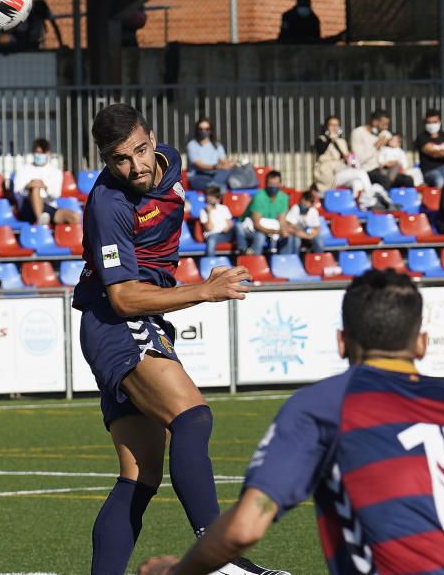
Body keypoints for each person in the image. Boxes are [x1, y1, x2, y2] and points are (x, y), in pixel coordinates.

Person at [137, 270, 444, 575]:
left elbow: (244, 528)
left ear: (341, 342)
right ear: (422, 344)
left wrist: (177, 573)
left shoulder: (325, 406)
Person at [73, 103, 287, 575]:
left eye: (141, 151)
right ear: (106, 162)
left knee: (140, 475)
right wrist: (204, 291)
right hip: (116, 319)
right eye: (120, 160)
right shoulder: (108, 204)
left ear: (154, 139)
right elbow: (125, 298)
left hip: (137, 315)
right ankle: (220, 562)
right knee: (192, 418)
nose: (136, 166)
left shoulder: (170, 162)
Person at [312, 115, 380, 209]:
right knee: (361, 173)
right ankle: (370, 198)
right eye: (331, 125)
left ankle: (360, 206)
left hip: (341, 170)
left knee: (357, 183)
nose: (334, 128)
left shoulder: (341, 141)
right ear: (326, 127)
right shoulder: (321, 139)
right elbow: (320, 150)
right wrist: (329, 139)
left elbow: (346, 156)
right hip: (328, 174)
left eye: (336, 125)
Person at [12, 137, 82, 226]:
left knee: (74, 217)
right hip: (27, 208)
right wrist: (29, 186)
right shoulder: (24, 170)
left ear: (48, 153)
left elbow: (56, 194)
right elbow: (16, 191)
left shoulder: (55, 172)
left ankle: (42, 220)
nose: (39, 155)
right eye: (37, 152)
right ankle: (40, 221)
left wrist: (44, 186)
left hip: (48, 207)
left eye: (42, 153)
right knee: (35, 188)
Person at [351, 110, 413, 190]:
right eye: (384, 125)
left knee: (408, 180)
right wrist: (376, 145)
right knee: (385, 180)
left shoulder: (382, 134)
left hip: (383, 169)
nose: (386, 128)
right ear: (375, 122)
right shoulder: (358, 133)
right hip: (366, 170)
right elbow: (358, 159)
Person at [243, 171, 290, 255]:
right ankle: (254, 263)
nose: (273, 186)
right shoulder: (259, 196)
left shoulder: (284, 197)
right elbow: (256, 225)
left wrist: (283, 232)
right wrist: (276, 232)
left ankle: (283, 263)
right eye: (271, 184)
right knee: (260, 237)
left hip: (272, 229)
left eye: (275, 184)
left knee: (290, 238)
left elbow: (282, 220)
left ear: (280, 184)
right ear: (266, 184)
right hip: (251, 229)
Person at [186, 118, 235, 193]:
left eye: (207, 129)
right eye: (201, 129)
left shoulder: (217, 145)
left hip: (214, 175)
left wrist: (229, 164)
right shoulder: (192, 145)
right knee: (222, 185)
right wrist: (216, 166)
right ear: (197, 130)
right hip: (198, 176)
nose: (203, 131)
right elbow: (199, 165)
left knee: (227, 171)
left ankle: (213, 187)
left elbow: (223, 160)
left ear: (211, 130)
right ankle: (215, 187)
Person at [200, 185, 251, 256]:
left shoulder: (224, 208)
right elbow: (209, 228)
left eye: (213, 197)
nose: (210, 199)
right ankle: (210, 260)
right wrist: (209, 213)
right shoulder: (203, 211)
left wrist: (227, 228)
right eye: (209, 197)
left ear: (217, 198)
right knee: (211, 239)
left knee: (238, 225)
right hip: (213, 235)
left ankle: (242, 249)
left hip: (226, 234)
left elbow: (230, 223)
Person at [280, 190, 323, 256]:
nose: (304, 205)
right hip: (298, 233)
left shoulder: (313, 211)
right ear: (302, 200)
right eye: (304, 202)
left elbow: (317, 228)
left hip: (309, 233)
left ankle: (318, 259)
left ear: (311, 204)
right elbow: (291, 228)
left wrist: (313, 234)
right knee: (296, 241)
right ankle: (296, 260)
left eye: (307, 204)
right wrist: (305, 235)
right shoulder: (295, 208)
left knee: (319, 241)